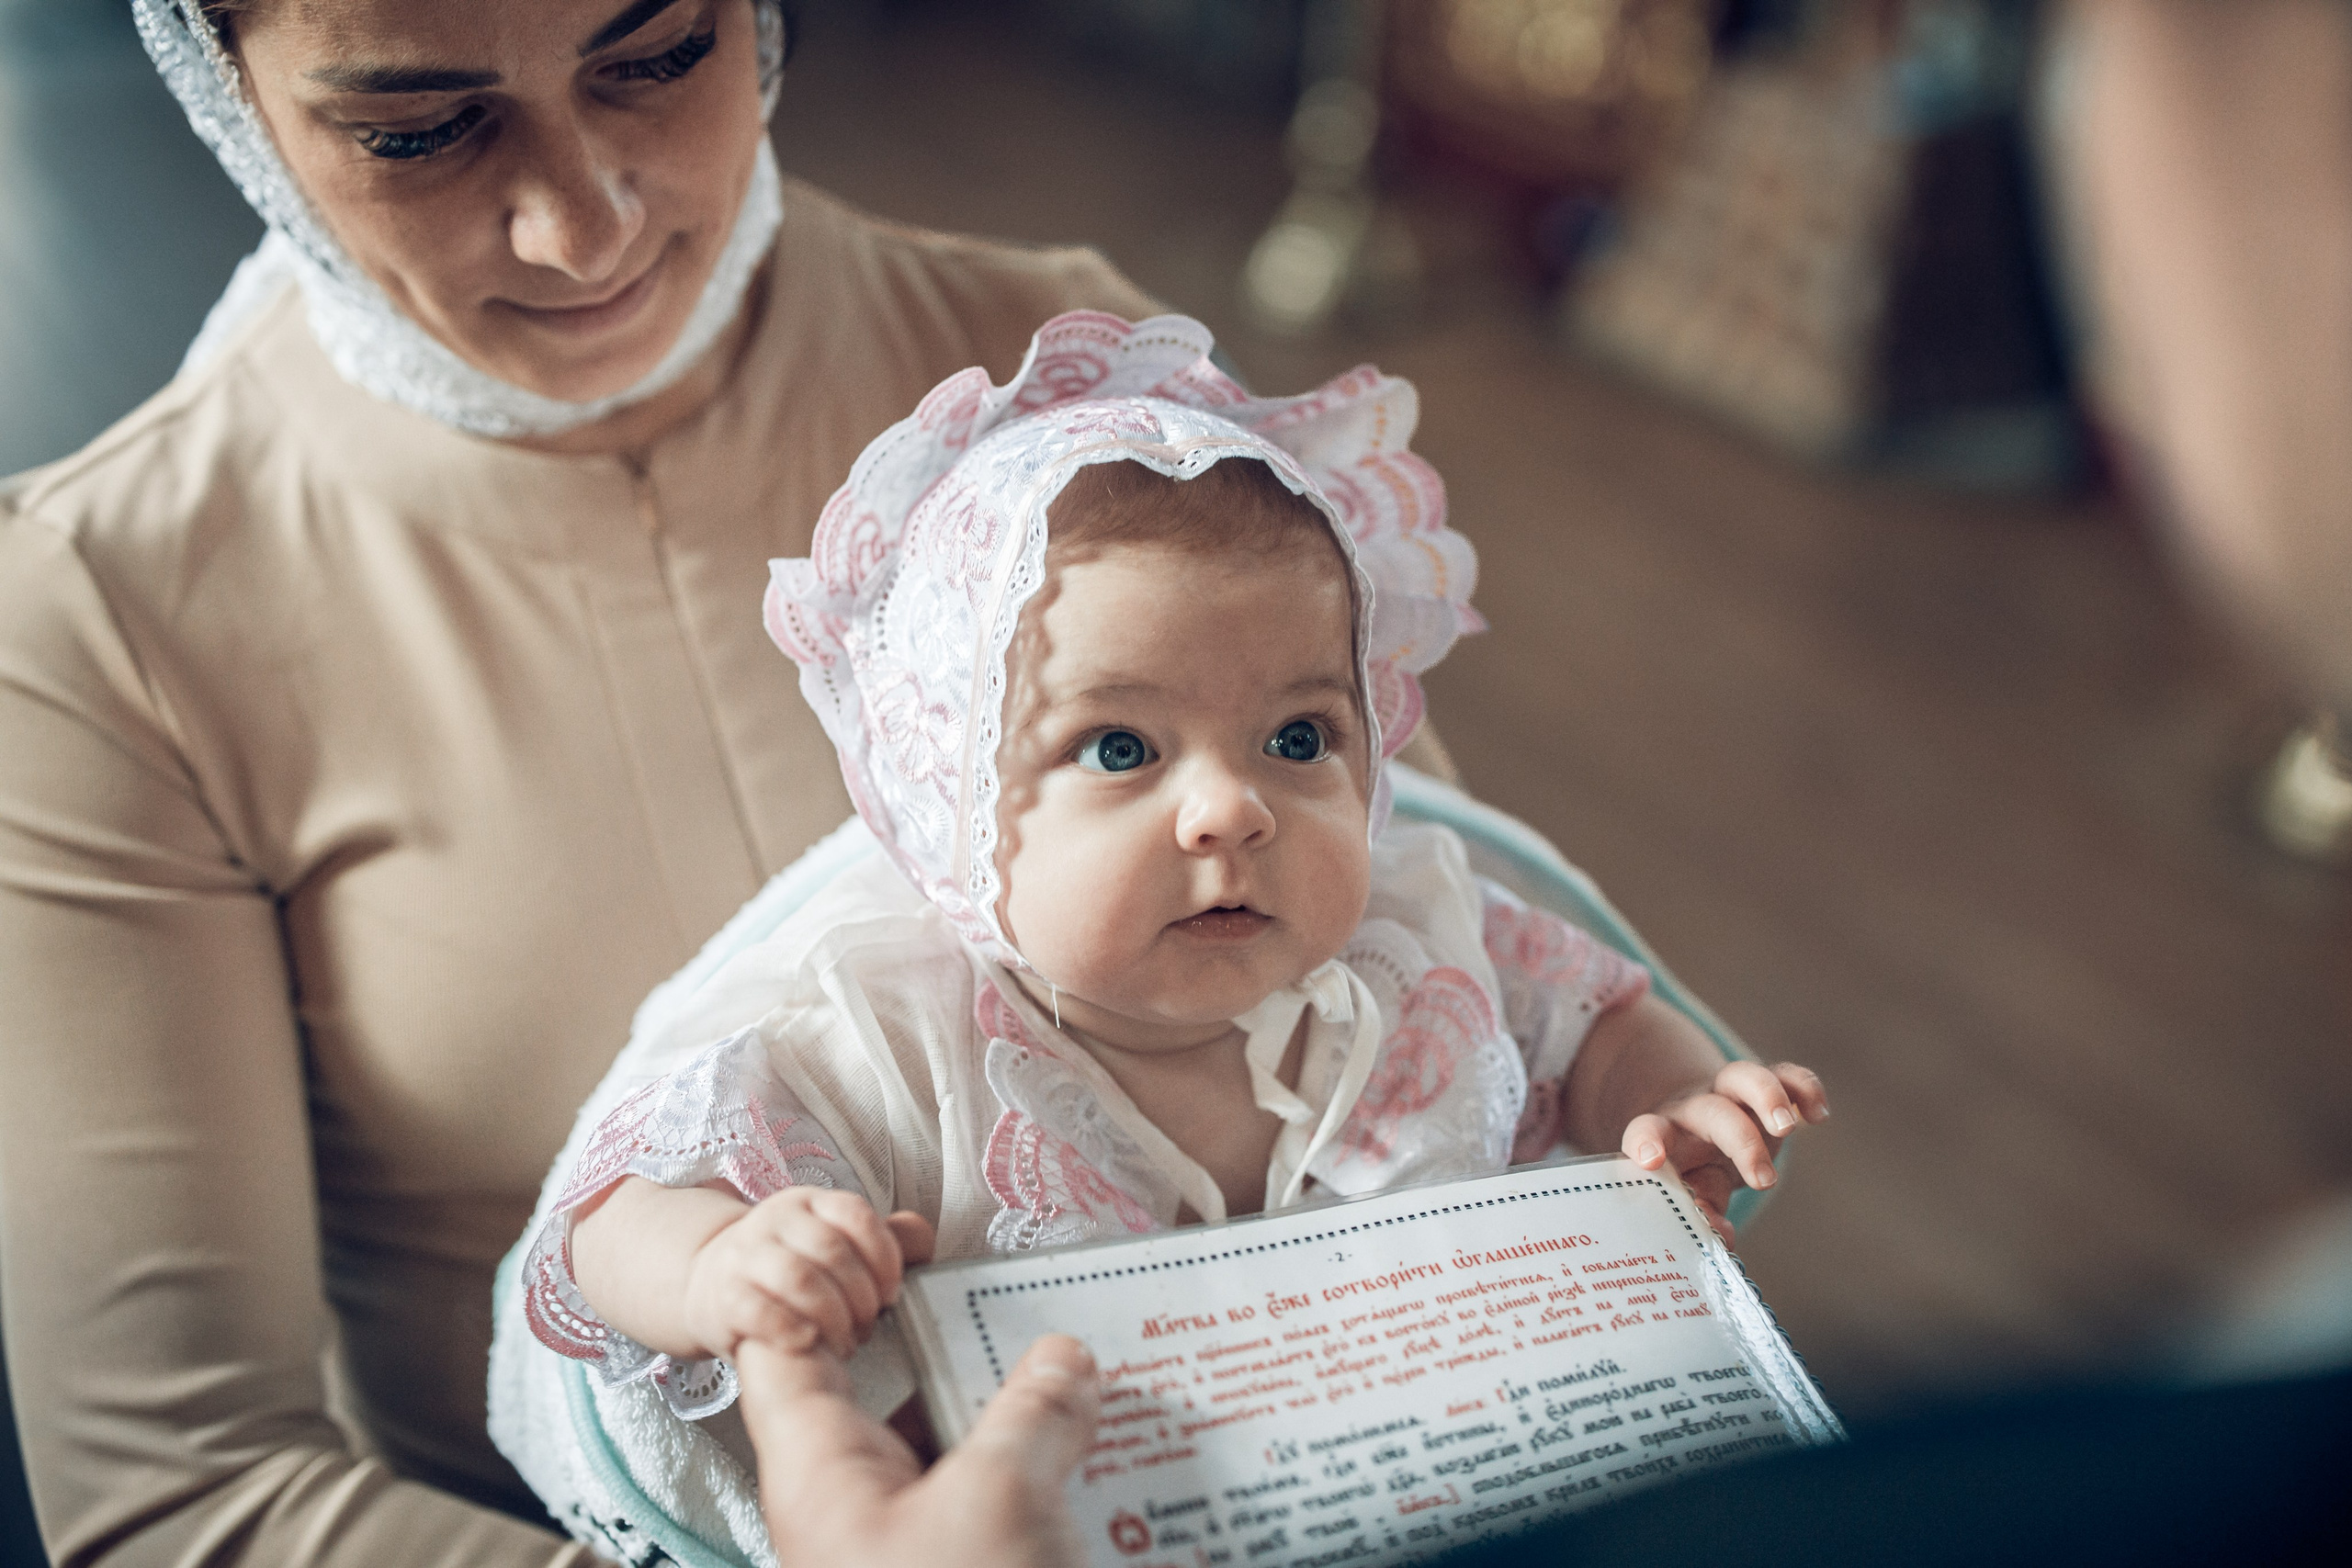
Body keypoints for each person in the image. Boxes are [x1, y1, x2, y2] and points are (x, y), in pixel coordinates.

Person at [0, 2, 1203, 1563]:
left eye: (654, 59)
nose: (584, 227)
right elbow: (188, 1497)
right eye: (417, 130)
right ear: (226, 100)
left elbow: (1455, 978)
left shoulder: (1068, 381)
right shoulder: (103, 620)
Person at [505, 311, 1827, 1559]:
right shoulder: (886, 1040)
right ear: (950, 806)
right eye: (1121, 747)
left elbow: (1593, 1025)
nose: (1232, 809)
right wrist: (722, 1265)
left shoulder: (1427, 945)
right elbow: (605, 1222)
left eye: (1300, 738)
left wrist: (1675, 1102)